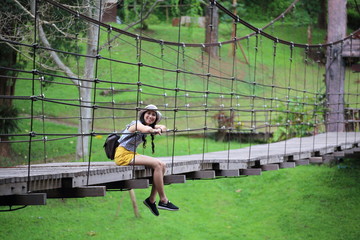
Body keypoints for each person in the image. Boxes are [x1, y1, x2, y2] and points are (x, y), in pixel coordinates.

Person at [114, 104, 179, 216]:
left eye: (153, 115)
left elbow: (163, 127)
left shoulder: (147, 124)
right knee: (158, 165)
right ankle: (163, 200)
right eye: (148, 113)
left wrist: (158, 128)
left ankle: (152, 200)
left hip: (131, 153)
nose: (150, 116)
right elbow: (145, 129)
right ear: (143, 114)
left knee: (162, 165)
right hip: (122, 155)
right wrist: (153, 130)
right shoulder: (136, 124)